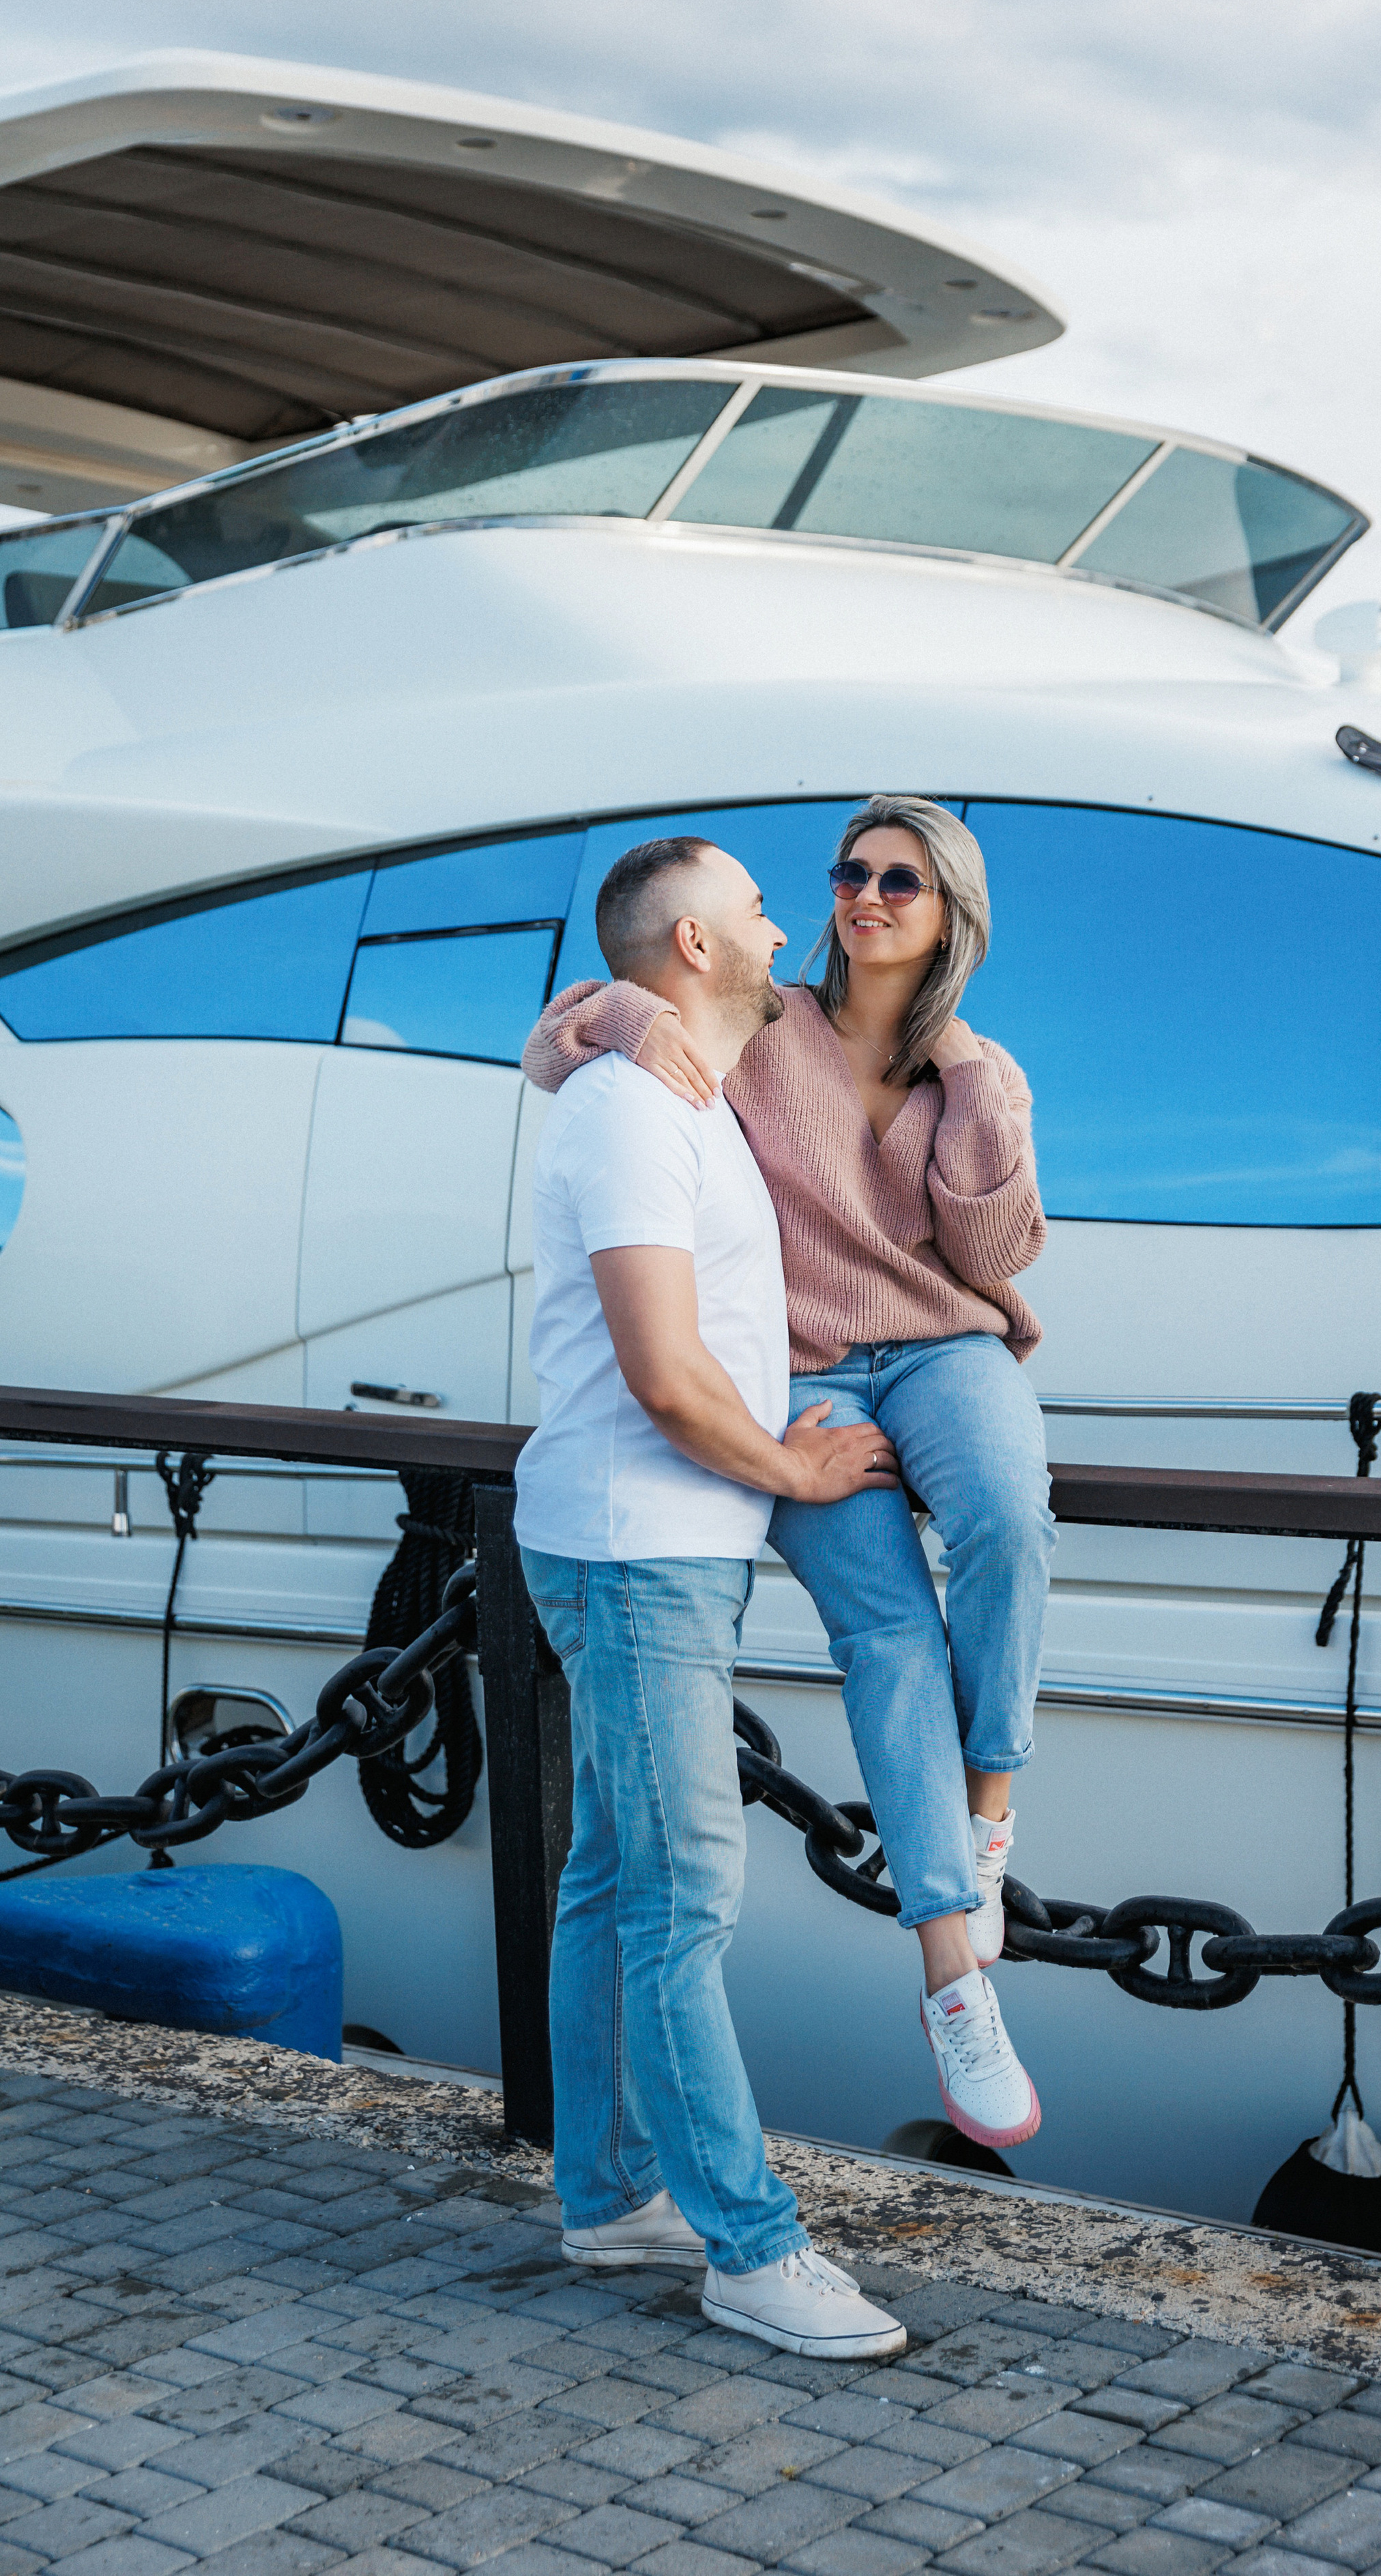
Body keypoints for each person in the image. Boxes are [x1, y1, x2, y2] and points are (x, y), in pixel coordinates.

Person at [523, 796, 1053, 2154]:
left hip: (942, 1349)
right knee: (883, 1629)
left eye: (900, 881)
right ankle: (953, 1980)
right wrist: (633, 1020)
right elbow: (563, 1033)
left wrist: (973, 1080)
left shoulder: (976, 1069)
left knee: (1004, 1518)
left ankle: (988, 1809)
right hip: (807, 1375)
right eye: (848, 874)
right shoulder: (765, 1020)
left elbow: (997, 1252)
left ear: (950, 918)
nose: (864, 896)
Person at [514, 830, 910, 2359]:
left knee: (615, 1878)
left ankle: (612, 2197)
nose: (784, 920)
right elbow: (664, 1374)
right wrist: (794, 1473)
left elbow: (569, 1019)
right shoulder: (633, 1107)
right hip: (637, 1544)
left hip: (656, 1543)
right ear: (693, 947)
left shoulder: (677, 1076)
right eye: (754, 905)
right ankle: (750, 2248)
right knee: (682, 1895)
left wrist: (588, 1013)